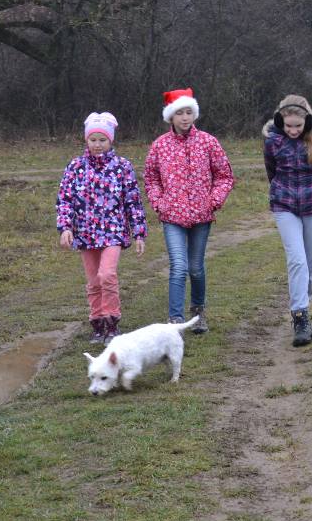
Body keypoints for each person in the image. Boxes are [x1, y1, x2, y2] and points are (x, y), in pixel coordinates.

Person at [145, 88, 235, 332]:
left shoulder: (208, 142)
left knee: (195, 267)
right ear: (170, 117)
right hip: (172, 216)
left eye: (188, 112)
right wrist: (159, 203)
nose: (185, 118)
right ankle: (175, 321)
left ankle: (197, 313)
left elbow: (225, 175)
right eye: (179, 113)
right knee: (178, 266)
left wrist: (213, 201)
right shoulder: (159, 146)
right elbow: (151, 179)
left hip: (201, 215)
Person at [56, 112, 146, 344]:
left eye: (102, 140)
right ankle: (97, 324)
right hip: (85, 233)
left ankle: (111, 322)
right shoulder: (75, 167)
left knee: (107, 275)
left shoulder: (122, 167)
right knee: (93, 281)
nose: (97, 145)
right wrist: (65, 227)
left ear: (111, 140)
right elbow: (65, 199)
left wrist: (139, 232)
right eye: (93, 139)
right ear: (86, 140)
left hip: (113, 232)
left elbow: (133, 201)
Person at [264, 95, 312, 347]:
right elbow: (271, 171)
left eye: (298, 126)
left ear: (307, 121)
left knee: (310, 263)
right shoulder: (273, 142)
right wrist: (285, 193)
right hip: (284, 206)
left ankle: (305, 295)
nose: (292, 130)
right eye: (288, 125)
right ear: (281, 120)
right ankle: (300, 316)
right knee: (297, 259)